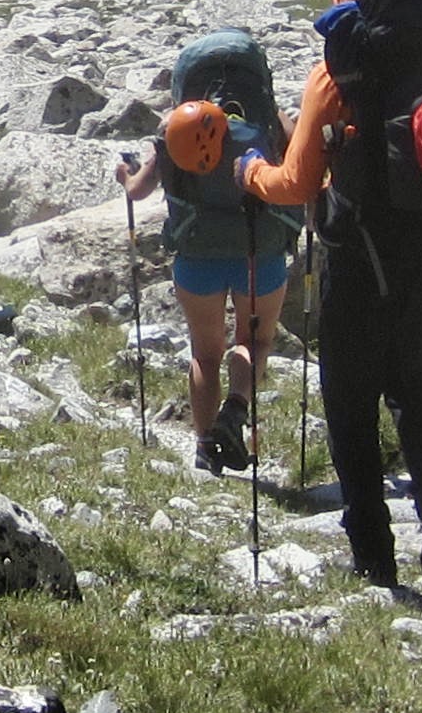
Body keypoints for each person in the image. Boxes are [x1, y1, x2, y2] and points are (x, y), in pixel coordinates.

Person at [241, 0, 422, 588]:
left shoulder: (337, 74)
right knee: (416, 382)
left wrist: (249, 174)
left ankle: (373, 553)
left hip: (357, 255)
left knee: (349, 399)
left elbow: (299, 183)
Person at [121, 88, 298, 473]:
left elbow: (137, 191)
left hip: (197, 253)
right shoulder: (263, 125)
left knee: (205, 354)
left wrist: (125, 174)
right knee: (255, 340)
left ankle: (205, 449)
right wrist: (274, 112)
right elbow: (297, 153)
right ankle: (235, 407)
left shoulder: (178, 128)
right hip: (259, 250)